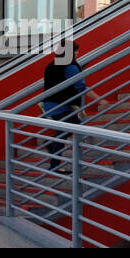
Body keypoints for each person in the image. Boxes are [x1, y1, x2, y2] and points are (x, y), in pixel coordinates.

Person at [41, 41, 86, 174]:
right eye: (75, 51)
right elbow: (80, 86)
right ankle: (53, 157)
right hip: (60, 104)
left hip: (51, 103)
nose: (77, 53)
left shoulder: (52, 64)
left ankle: (51, 149)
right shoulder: (70, 66)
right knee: (75, 128)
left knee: (65, 131)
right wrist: (99, 100)